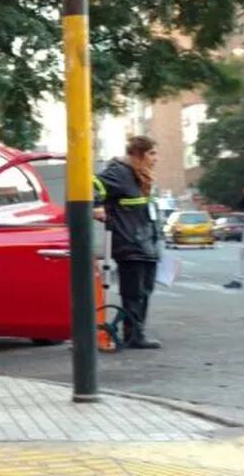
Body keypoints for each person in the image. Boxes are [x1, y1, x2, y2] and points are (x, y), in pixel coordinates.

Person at [93, 135, 162, 350]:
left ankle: (136, 332)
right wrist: (96, 206)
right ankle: (133, 335)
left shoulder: (138, 175)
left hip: (145, 242)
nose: (156, 159)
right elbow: (92, 183)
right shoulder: (119, 172)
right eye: (151, 153)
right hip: (130, 242)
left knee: (144, 291)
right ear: (137, 154)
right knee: (133, 292)